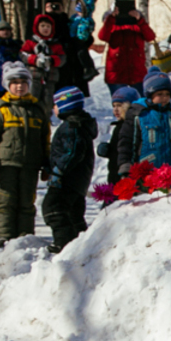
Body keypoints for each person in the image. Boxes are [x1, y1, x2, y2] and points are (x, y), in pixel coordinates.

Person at [0, 61, 51, 244]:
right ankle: (4, 236)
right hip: (5, 164)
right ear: (7, 85)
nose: (19, 86)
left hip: (30, 164)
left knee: (27, 202)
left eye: (23, 82)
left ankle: (25, 237)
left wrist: (47, 162)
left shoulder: (37, 110)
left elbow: (45, 138)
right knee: (5, 202)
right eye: (14, 82)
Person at [43, 87, 97, 252]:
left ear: (64, 106)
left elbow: (71, 153)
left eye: (56, 105)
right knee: (74, 212)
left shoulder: (71, 127)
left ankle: (64, 243)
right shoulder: (79, 125)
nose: (54, 108)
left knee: (53, 208)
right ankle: (79, 244)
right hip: (78, 180)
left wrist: (58, 172)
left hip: (67, 179)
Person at [120, 71, 171, 181]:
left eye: (167, 94)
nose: (164, 98)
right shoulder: (138, 115)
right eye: (159, 94)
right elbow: (126, 143)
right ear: (150, 95)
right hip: (145, 175)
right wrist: (126, 167)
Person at [99, 5, 155, 94]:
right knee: (121, 104)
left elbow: (150, 36)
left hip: (137, 73)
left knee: (140, 104)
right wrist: (111, 18)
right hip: (117, 75)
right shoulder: (112, 25)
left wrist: (140, 20)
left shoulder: (138, 26)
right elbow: (102, 36)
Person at [20, 13, 66, 108]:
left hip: (50, 78)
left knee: (48, 102)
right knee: (32, 99)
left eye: (48, 26)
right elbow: (22, 54)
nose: (45, 28)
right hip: (34, 77)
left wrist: (51, 60)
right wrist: (35, 60)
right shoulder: (30, 42)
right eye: (42, 26)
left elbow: (62, 58)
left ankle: (46, 119)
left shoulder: (55, 44)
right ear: (37, 27)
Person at [98, 86, 141, 186]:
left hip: (126, 174)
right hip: (115, 173)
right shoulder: (118, 126)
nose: (116, 110)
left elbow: (129, 149)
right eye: (114, 106)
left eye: (120, 105)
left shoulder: (133, 125)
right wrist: (108, 150)